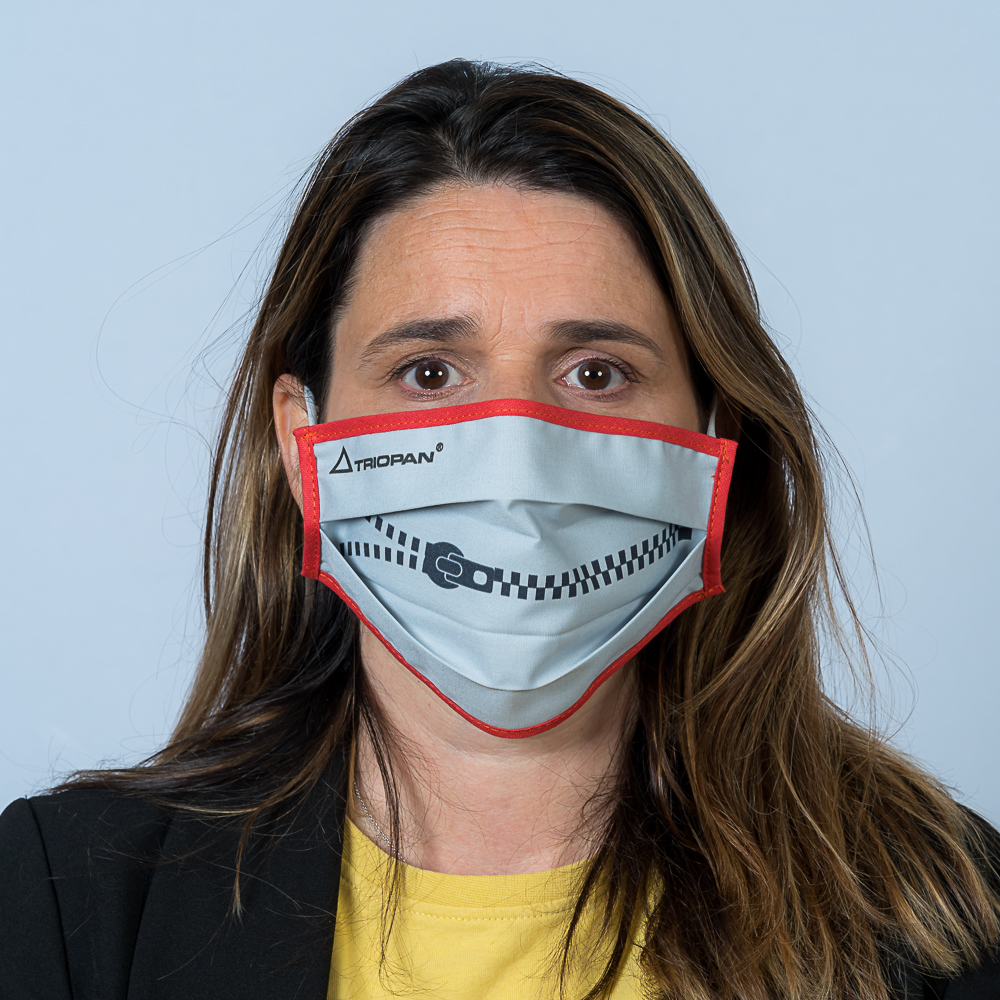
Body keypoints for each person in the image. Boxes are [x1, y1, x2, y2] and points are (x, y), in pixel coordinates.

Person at [1, 59, 998, 1000]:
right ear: (304, 441)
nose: (516, 461)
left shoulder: (942, 918)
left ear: (712, 438)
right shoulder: (62, 901)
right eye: (430, 372)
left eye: (596, 374)